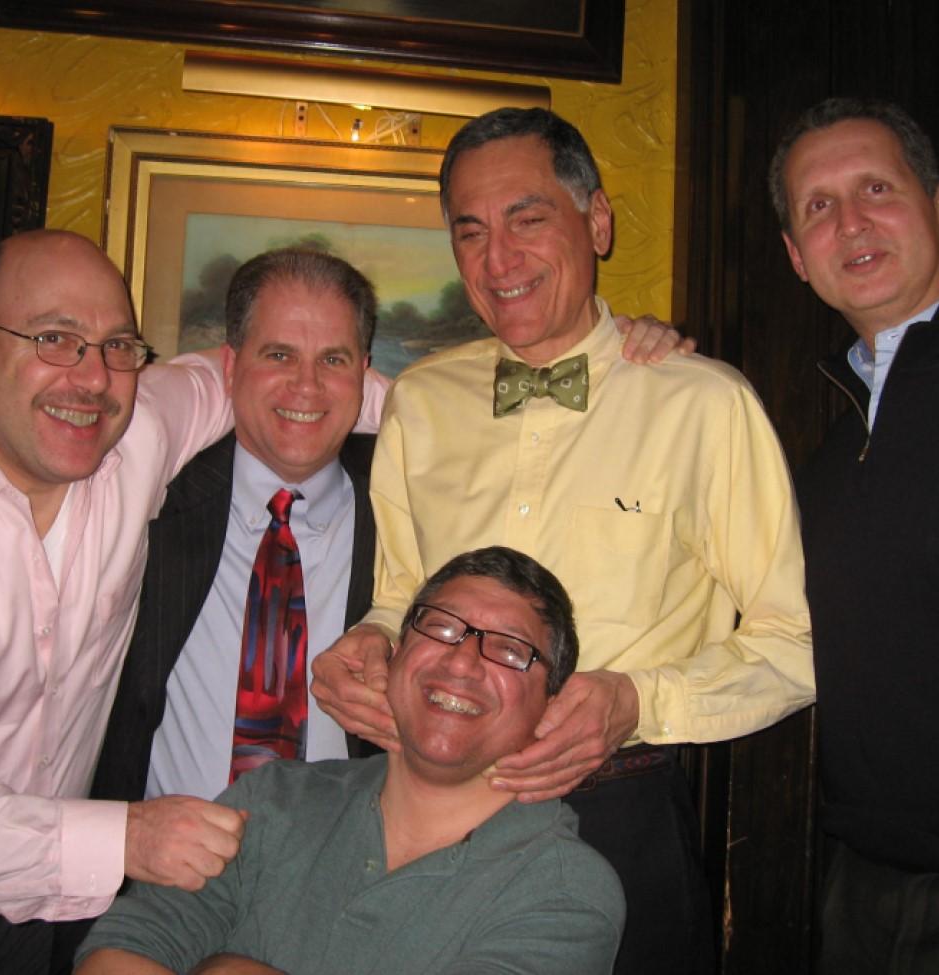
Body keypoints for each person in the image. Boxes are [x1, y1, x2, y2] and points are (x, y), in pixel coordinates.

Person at [312, 106, 815, 974]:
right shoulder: (420, 401)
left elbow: (796, 645)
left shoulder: (702, 404)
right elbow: (400, 594)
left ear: (597, 221)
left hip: (613, 816)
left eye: (527, 219)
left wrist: (639, 700)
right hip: (419, 812)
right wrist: (366, 644)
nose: (496, 260)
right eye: (468, 232)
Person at [74, 546, 625, 975]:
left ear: (550, 705)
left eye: (509, 649)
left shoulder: (566, 890)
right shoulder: (273, 801)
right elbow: (114, 957)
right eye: (442, 626)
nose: (462, 662)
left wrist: (230, 966)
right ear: (396, 653)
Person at [0, 230, 247, 974]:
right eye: (55, 338)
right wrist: (124, 838)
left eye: (118, 345)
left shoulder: (137, 439)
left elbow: (264, 383)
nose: (92, 379)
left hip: (55, 920)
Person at [90, 247, 380, 810]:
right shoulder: (152, 498)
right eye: (278, 354)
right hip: (157, 881)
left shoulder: (406, 507)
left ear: (365, 373)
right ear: (229, 366)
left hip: (348, 878)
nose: (306, 386)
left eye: (334, 360)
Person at [769, 97, 939, 973]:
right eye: (818, 206)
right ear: (798, 259)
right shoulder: (836, 442)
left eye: (876, 186)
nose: (851, 221)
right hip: (862, 878)